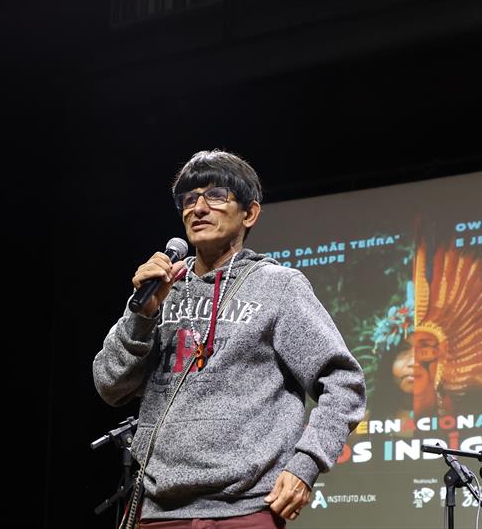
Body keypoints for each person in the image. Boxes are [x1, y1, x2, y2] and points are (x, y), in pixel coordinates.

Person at [93, 150, 366, 528]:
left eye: (216, 196)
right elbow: (109, 384)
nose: (198, 208)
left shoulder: (278, 287)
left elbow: (344, 383)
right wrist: (142, 317)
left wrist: (306, 465)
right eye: (189, 199)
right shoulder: (160, 289)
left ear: (249, 213)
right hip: (156, 511)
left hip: (243, 510)